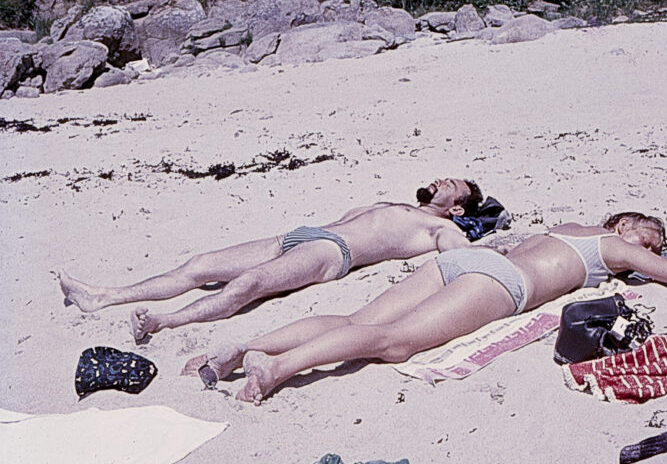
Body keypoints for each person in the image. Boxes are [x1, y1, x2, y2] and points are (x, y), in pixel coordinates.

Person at [181, 212, 667, 405]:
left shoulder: (565, 227)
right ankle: (276, 369)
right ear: (625, 224)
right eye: (651, 237)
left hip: (465, 263)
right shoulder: (616, 245)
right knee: (394, 342)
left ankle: (244, 346)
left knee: (362, 321)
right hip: (498, 281)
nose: (650, 250)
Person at [58, 178, 484, 341]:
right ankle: (103, 296)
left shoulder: (443, 228)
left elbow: (460, 264)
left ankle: (164, 321)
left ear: (458, 208)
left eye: (451, 185)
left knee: (248, 285)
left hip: (332, 253)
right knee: (199, 265)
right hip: (303, 234)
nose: (440, 180)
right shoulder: (394, 202)